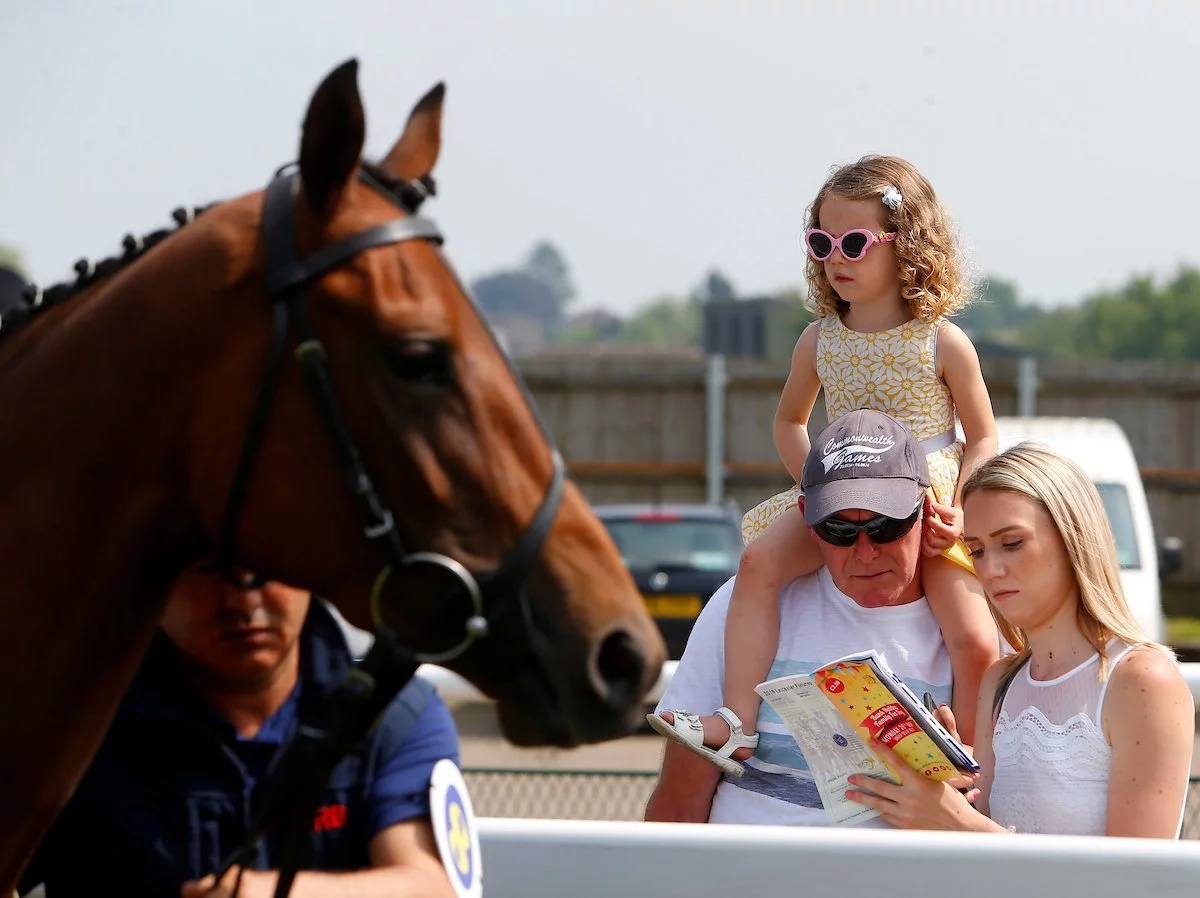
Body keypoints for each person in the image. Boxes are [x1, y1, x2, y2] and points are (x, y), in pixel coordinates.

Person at [651, 155, 999, 773]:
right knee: (757, 562)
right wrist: (819, 488)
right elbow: (788, 422)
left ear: (907, 245)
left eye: (855, 242)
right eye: (821, 242)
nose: (835, 258)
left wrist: (959, 511)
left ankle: (970, 757)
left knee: (973, 635)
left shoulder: (942, 340)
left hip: (927, 501)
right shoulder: (818, 339)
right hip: (839, 486)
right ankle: (736, 724)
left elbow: (983, 437)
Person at [20, 563, 460, 898]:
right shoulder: (69, 724)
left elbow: (430, 885)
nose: (242, 601)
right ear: (152, 579)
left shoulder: (393, 713)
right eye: (209, 571)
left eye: (269, 570)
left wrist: (268, 893)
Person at [842, 443, 1194, 837]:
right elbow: (989, 850)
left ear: (1072, 537)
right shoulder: (1000, 681)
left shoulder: (1142, 680)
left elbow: (1138, 883)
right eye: (975, 550)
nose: (990, 569)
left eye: (1012, 543)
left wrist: (960, 825)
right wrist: (947, 785)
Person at [644, 408, 956, 825]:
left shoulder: (978, 625)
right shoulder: (738, 608)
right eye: (838, 530)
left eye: (886, 526)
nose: (865, 552)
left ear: (926, 509)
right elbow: (677, 811)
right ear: (808, 522)